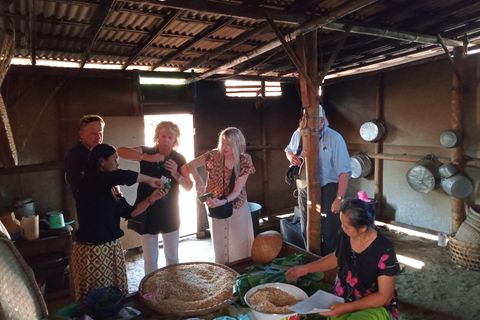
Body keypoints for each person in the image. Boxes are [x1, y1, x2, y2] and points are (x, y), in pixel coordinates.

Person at [71, 143, 167, 304]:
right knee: (98, 298)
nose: (117, 163)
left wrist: (151, 199)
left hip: (111, 247)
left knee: (115, 295)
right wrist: (150, 179)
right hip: (93, 250)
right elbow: (123, 176)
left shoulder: (112, 188)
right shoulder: (91, 182)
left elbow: (129, 212)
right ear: (102, 161)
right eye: (114, 160)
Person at [286, 198, 400, 320]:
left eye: (346, 226)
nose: (342, 227)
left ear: (362, 228)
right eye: (342, 223)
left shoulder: (383, 248)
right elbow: (337, 257)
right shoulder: (345, 234)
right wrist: (306, 268)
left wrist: (347, 308)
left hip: (373, 305)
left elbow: (384, 296)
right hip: (341, 298)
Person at [117, 121, 193, 275]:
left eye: (170, 137)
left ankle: (173, 287)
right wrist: (147, 158)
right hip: (147, 212)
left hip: (170, 213)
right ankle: (149, 292)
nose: (166, 140)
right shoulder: (147, 152)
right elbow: (120, 152)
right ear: (157, 137)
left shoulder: (179, 158)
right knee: (151, 258)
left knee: (172, 258)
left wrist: (176, 173)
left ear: (175, 139)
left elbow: (189, 186)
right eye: (163, 136)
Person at [285, 105, 351, 255]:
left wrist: (339, 198)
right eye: (303, 118)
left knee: (330, 227)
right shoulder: (298, 134)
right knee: (306, 225)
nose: (304, 122)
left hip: (329, 186)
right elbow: (288, 149)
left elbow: (344, 172)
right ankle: (311, 257)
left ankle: (331, 261)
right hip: (304, 186)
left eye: (308, 119)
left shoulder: (335, 138)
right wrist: (292, 157)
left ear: (321, 121)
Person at [187, 127, 255, 264]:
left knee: (239, 243)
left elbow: (236, 191)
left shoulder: (244, 161)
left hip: (237, 206)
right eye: (223, 143)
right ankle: (222, 269)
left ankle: (239, 271)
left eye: (228, 144)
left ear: (237, 144)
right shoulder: (213, 155)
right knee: (219, 242)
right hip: (215, 205)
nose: (224, 147)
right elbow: (190, 164)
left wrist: (224, 201)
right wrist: (198, 179)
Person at [65, 114, 105, 200]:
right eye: (93, 133)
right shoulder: (75, 155)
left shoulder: (101, 152)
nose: (98, 137)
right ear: (81, 134)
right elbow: (79, 186)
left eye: (100, 133)